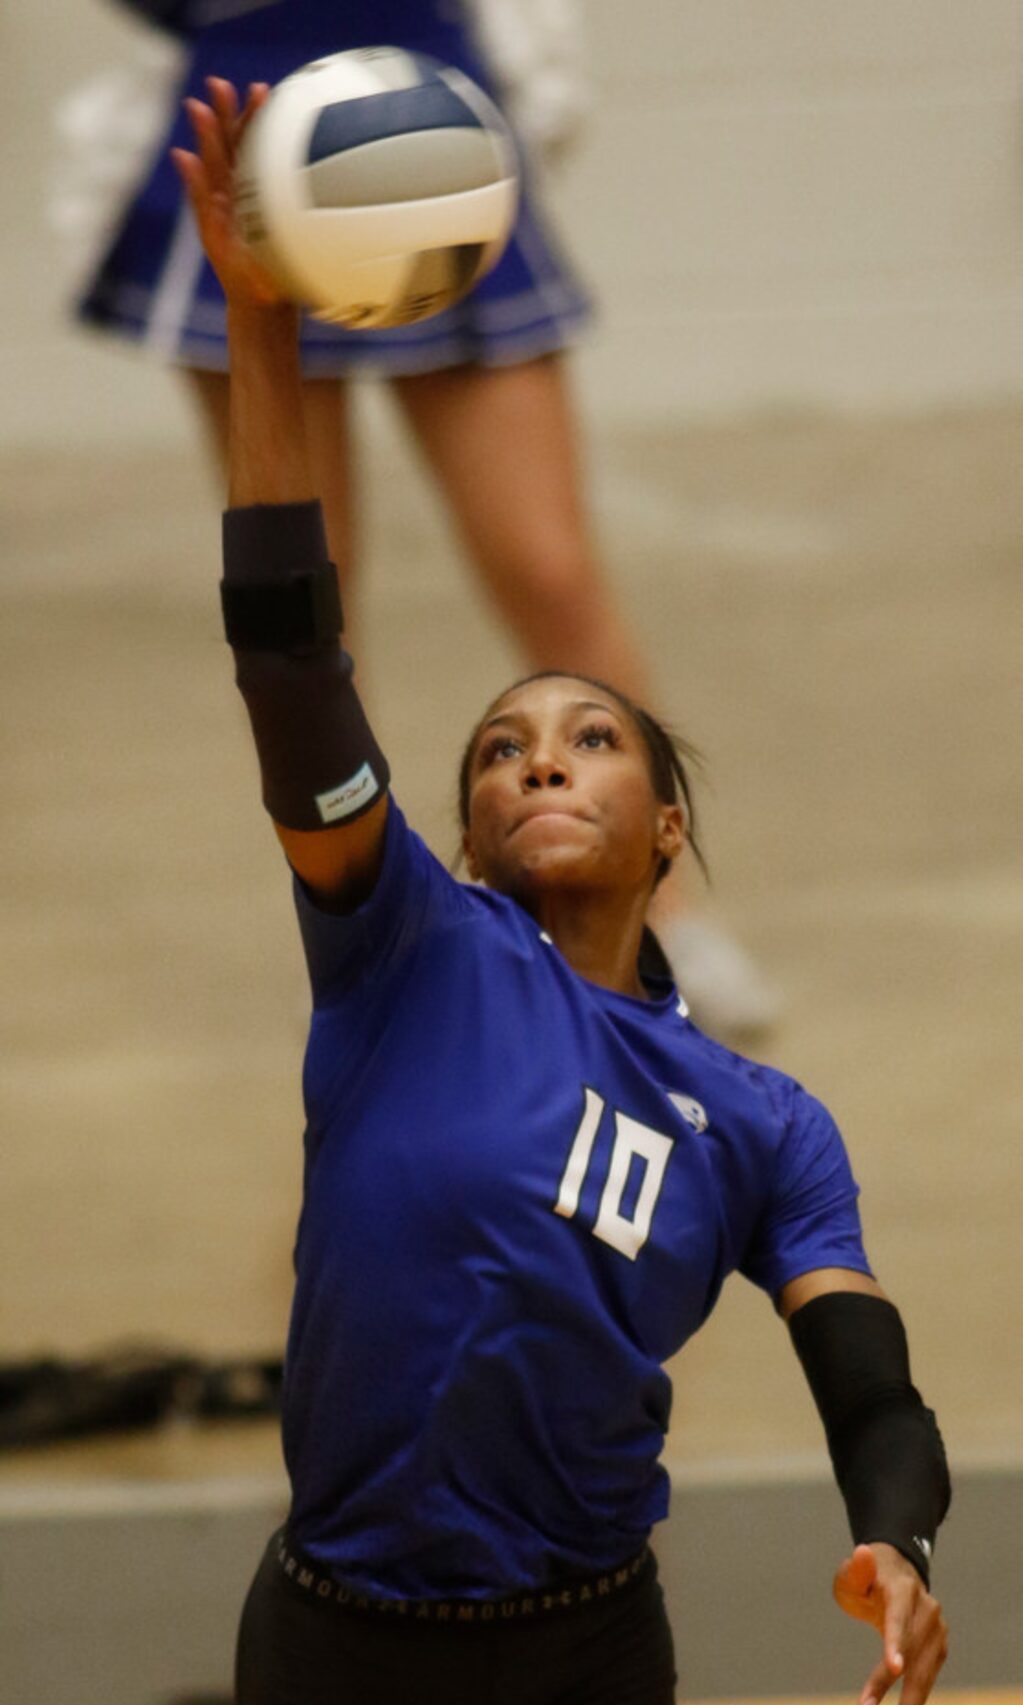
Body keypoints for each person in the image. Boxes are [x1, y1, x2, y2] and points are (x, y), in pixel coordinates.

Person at [172, 84, 950, 1705]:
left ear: (659, 824)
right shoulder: (403, 948)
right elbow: (290, 660)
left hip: (583, 1647)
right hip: (342, 1642)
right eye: (501, 748)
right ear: (453, 833)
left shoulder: (757, 1118)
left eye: (587, 736)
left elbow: (863, 1372)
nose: (538, 759)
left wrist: (894, 1533)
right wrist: (260, 329)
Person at [76, 0, 780, 1041]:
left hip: (424, 118)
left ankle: (652, 910)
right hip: (251, 119)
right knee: (309, 609)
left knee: (549, 571)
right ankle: (377, 942)